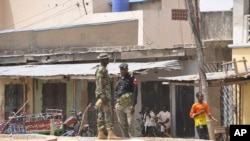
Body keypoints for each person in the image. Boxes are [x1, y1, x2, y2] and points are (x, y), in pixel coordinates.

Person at [95, 53, 120, 140]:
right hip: (104, 96)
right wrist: (103, 96)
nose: (108, 60)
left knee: (101, 114)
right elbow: (100, 84)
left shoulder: (101, 69)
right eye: (106, 59)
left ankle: (101, 133)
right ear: (102, 60)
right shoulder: (102, 70)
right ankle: (110, 133)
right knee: (108, 113)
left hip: (102, 96)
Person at [114, 63, 138, 138]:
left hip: (128, 105)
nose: (122, 71)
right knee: (122, 124)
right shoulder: (119, 78)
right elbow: (116, 91)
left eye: (124, 69)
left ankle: (132, 139)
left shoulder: (132, 78)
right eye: (121, 69)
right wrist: (115, 102)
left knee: (131, 124)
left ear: (127, 69)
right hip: (119, 105)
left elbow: (135, 91)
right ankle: (125, 139)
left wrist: (133, 105)